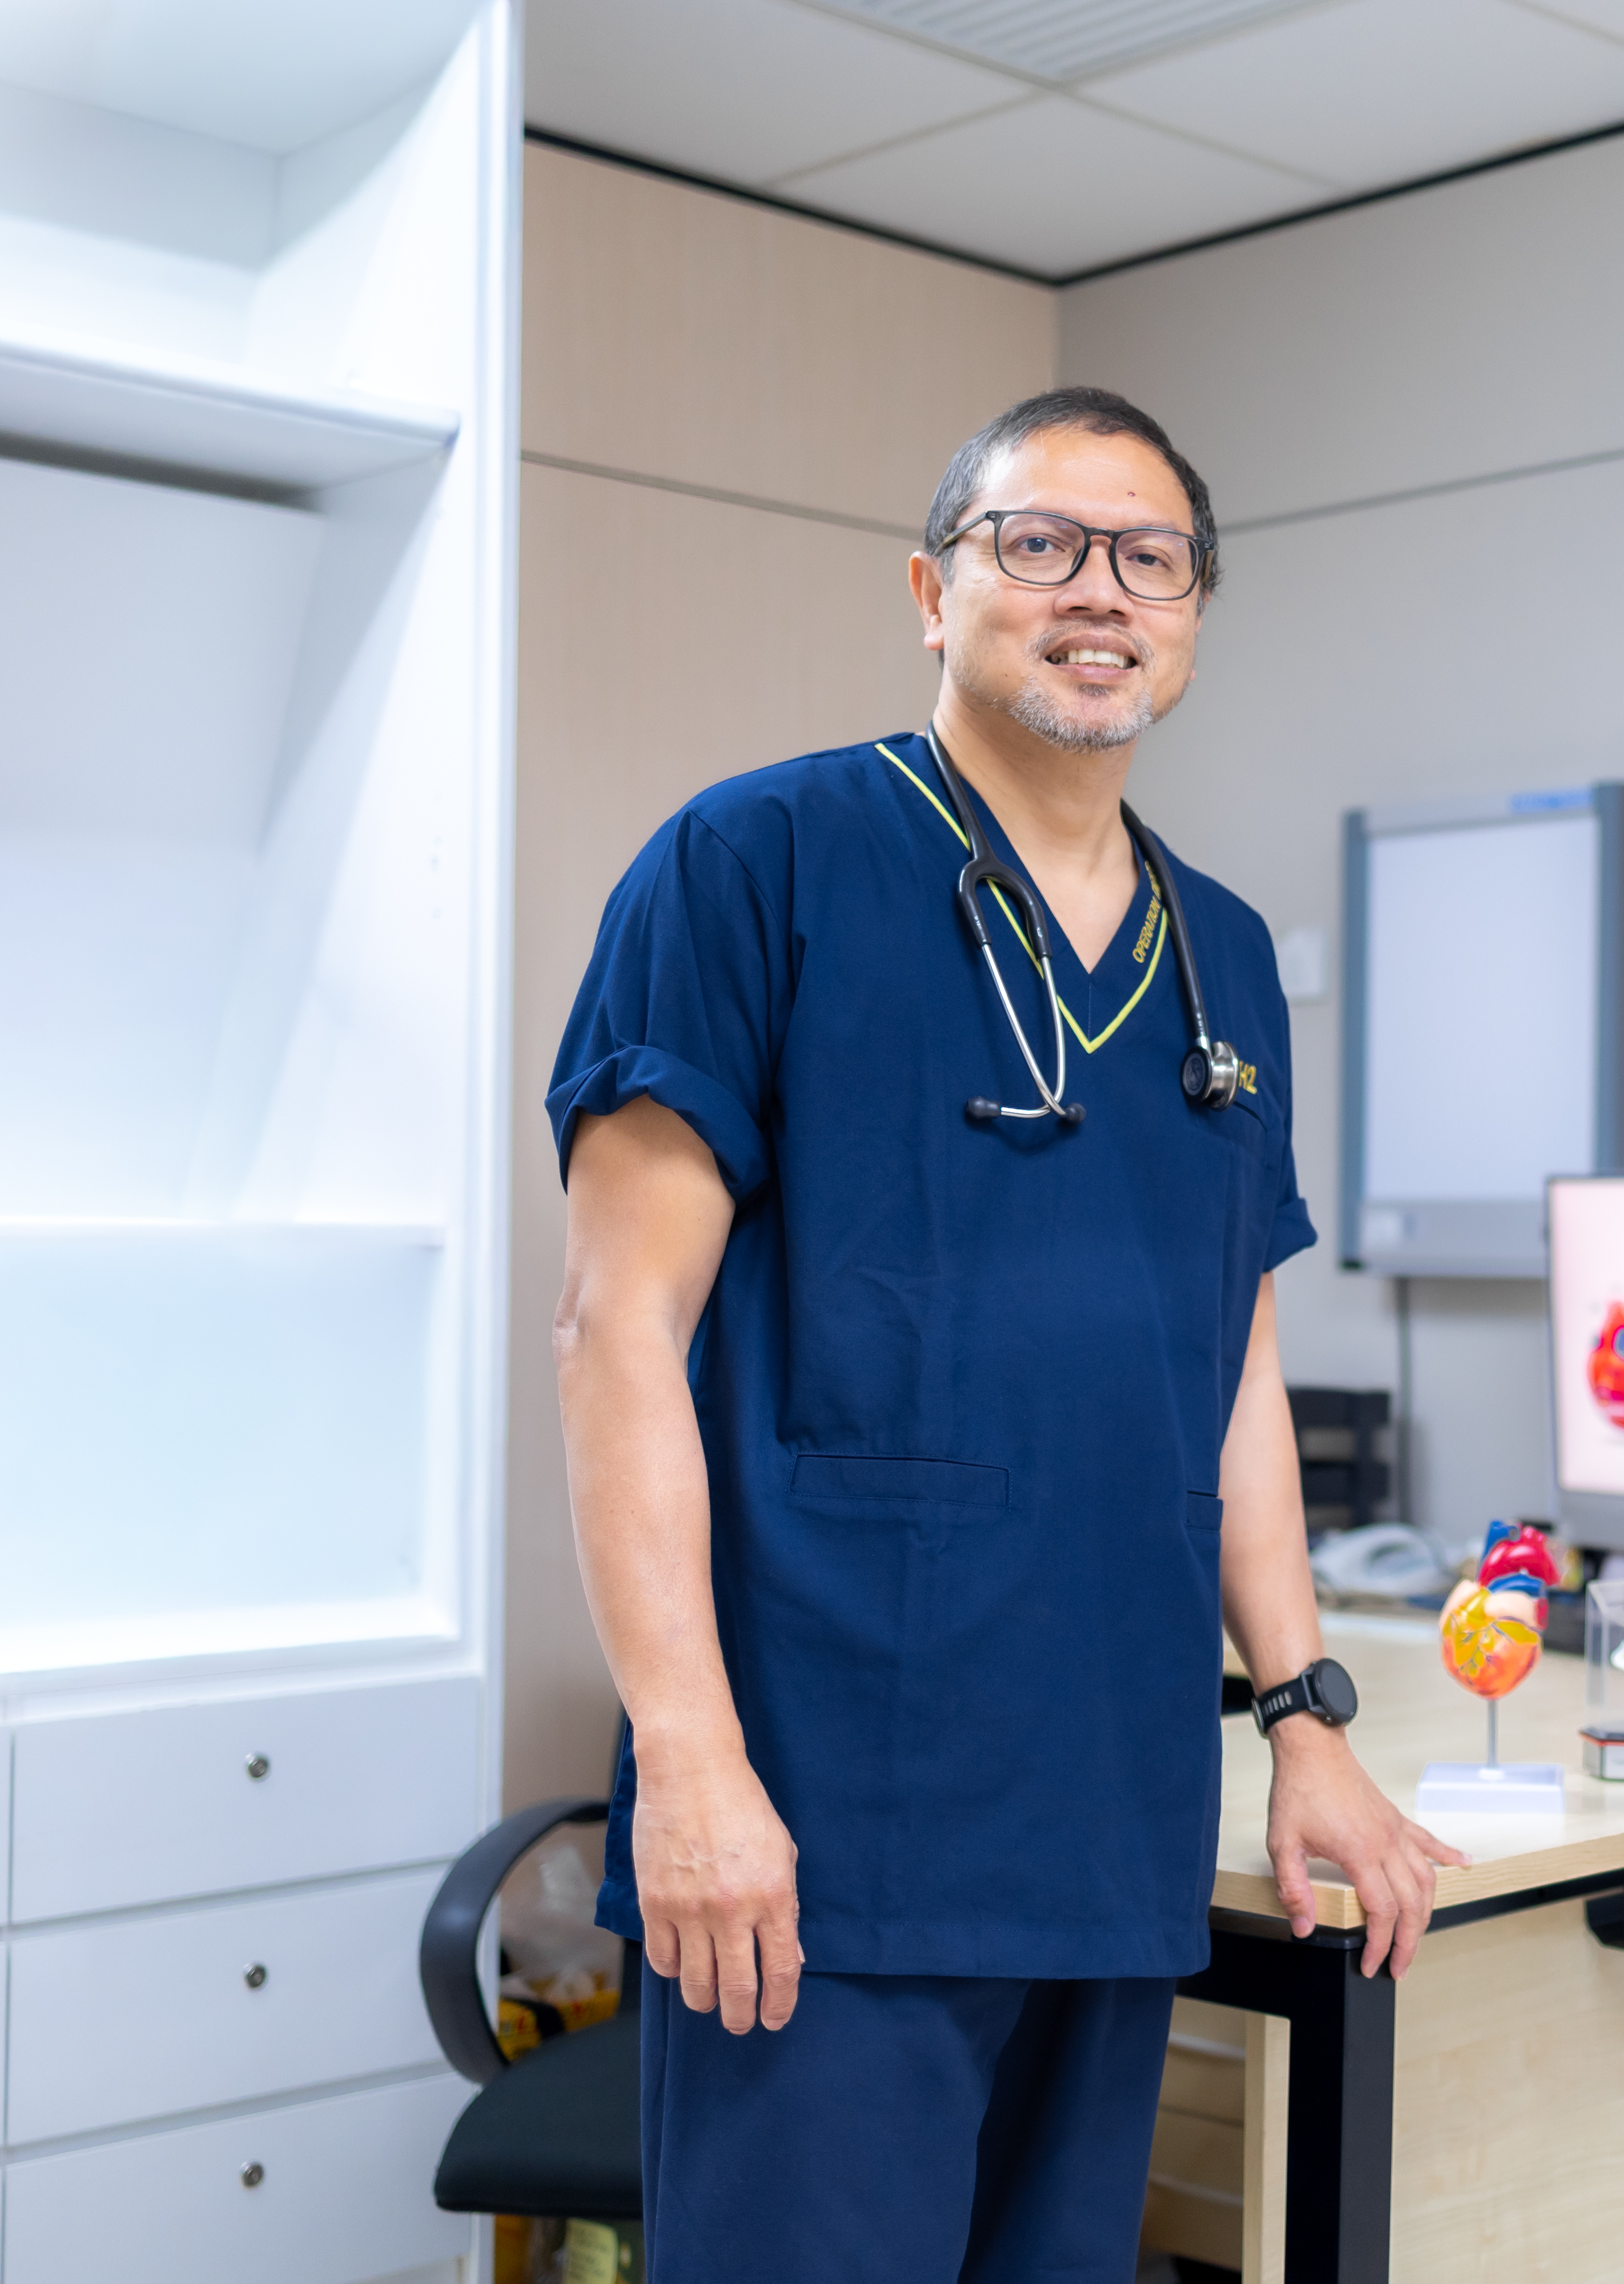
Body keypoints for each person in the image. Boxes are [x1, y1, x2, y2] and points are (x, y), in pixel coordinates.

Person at [546, 386, 1465, 2278]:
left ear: (1195, 610)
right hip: (823, 1842)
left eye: (1150, 557)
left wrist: (1304, 1717)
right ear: (932, 587)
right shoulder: (752, 867)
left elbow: (1234, 1376)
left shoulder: (1221, 956)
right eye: (1038, 544)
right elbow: (614, 1331)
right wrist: (693, 1765)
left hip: (1107, 1827)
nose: (1097, 593)